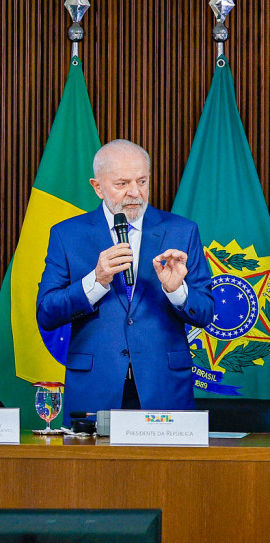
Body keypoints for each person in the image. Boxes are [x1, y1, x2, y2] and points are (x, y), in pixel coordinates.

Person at [36, 139, 214, 412]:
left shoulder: (182, 231)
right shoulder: (67, 234)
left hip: (163, 388)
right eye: (122, 184)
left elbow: (205, 313)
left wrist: (177, 292)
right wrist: (95, 281)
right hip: (95, 389)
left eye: (142, 182)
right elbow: (47, 314)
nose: (135, 193)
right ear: (97, 187)